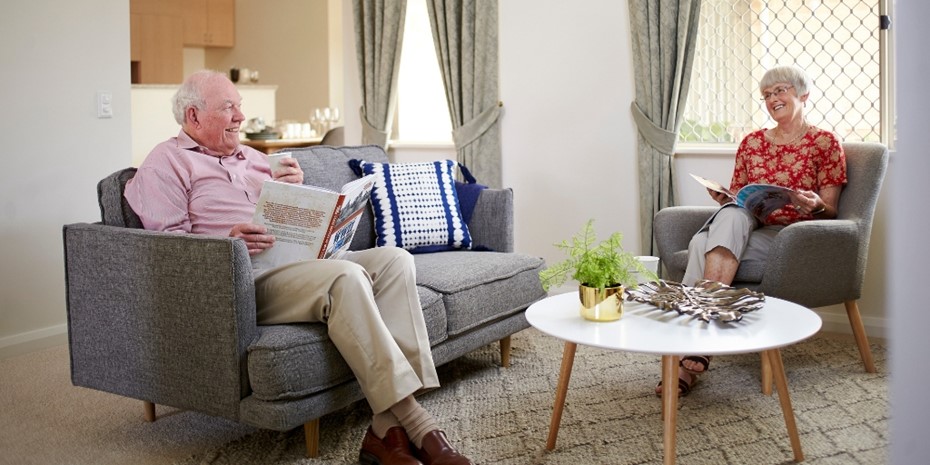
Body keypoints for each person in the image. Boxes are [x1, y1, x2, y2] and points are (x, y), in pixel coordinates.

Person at [124, 70, 473, 465]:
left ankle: (383, 429)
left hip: (295, 265)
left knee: (394, 260)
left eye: (239, 105)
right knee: (345, 276)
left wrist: (301, 195)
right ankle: (418, 423)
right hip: (240, 281)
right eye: (229, 107)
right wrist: (227, 240)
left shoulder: (254, 159)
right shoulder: (164, 164)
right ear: (194, 116)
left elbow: (285, 218)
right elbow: (167, 249)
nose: (241, 116)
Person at [656, 65, 847, 397]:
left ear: (803, 94)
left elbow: (831, 209)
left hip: (790, 237)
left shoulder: (825, 143)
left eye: (780, 91)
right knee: (730, 215)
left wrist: (814, 204)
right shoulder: (752, 143)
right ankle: (698, 347)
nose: (773, 99)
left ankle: (682, 360)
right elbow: (738, 201)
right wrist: (723, 197)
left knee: (701, 243)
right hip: (748, 226)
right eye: (767, 95)